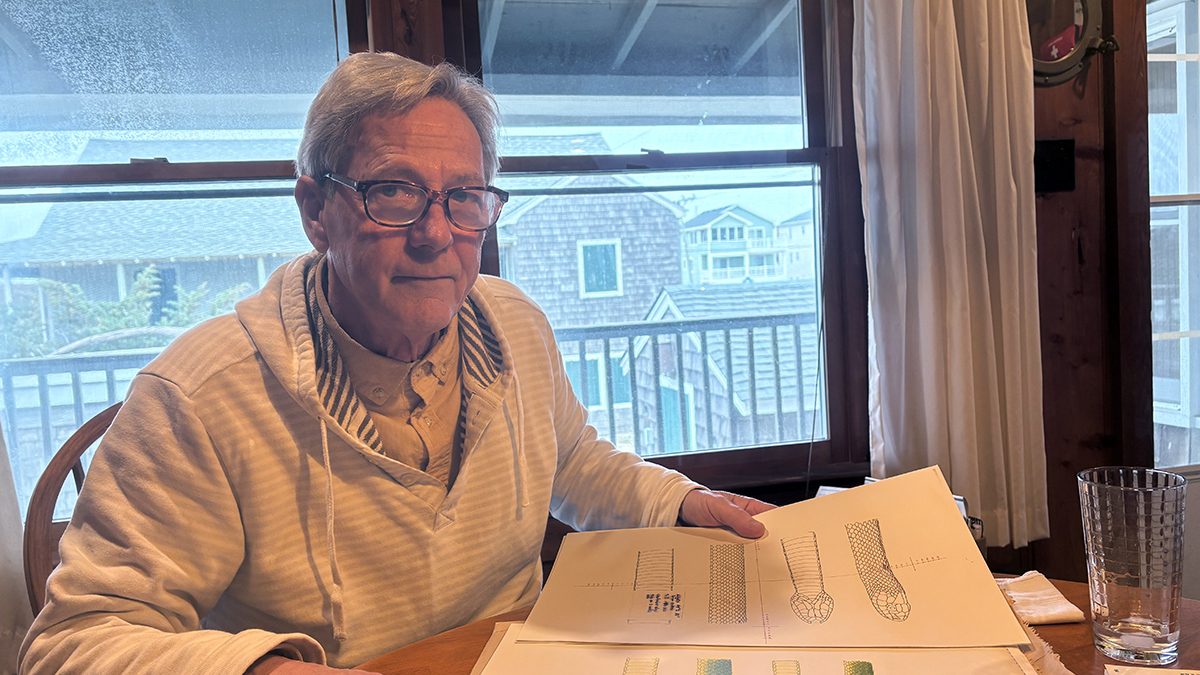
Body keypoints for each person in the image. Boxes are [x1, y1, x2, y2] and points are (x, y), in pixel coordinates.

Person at [18, 52, 771, 675]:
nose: (436, 233)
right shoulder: (202, 395)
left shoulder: (516, 326)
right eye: (395, 193)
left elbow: (573, 461)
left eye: (464, 197)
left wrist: (678, 503)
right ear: (316, 209)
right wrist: (261, 670)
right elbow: (73, 643)